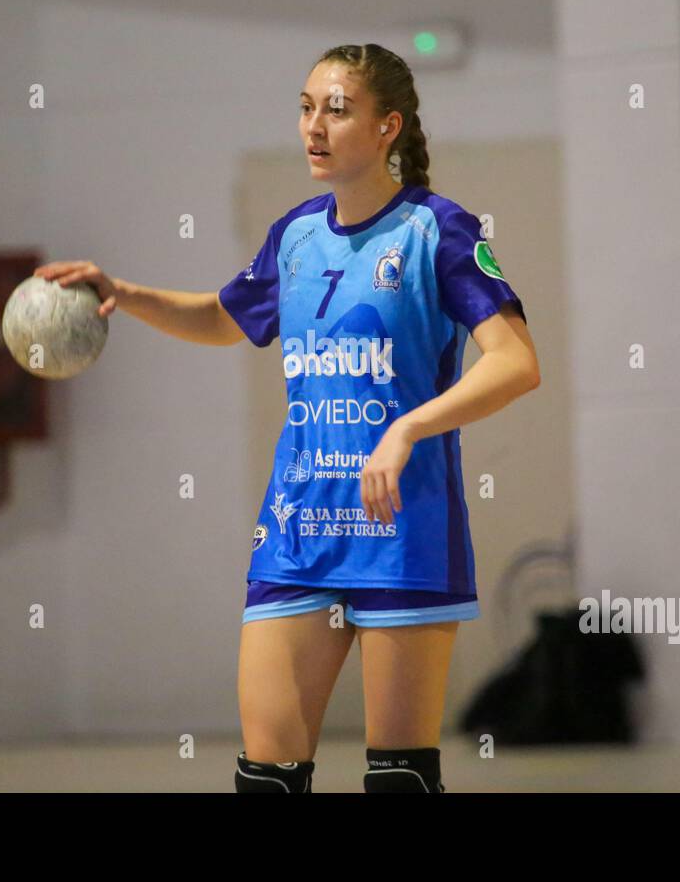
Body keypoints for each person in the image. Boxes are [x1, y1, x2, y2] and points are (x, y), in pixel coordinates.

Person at [36, 43, 540, 792]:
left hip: (400, 528)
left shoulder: (439, 231)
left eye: (336, 110)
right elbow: (221, 317)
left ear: (387, 127)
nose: (313, 125)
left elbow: (515, 362)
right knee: (268, 774)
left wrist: (407, 429)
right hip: (298, 524)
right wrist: (126, 293)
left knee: (398, 777)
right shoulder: (296, 236)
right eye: (305, 108)